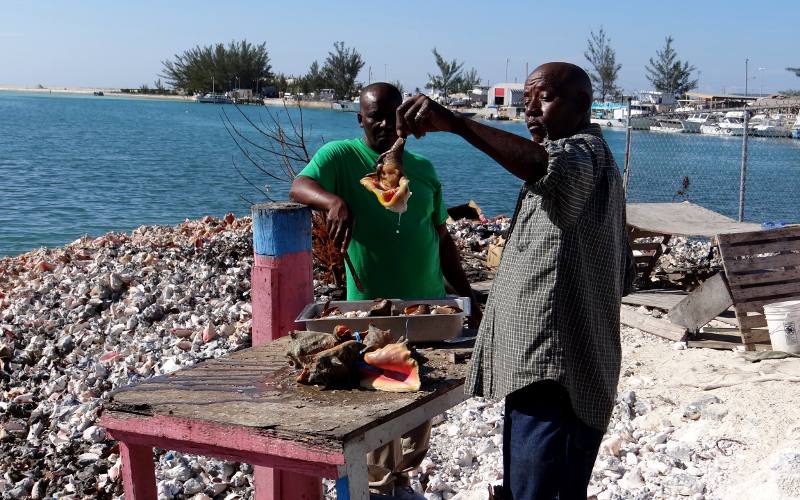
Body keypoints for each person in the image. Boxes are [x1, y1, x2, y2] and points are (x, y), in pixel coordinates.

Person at [396, 63, 632, 499]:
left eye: (544, 98)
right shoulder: (571, 168)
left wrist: (457, 123)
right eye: (526, 103)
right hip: (536, 375)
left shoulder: (585, 154)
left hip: (561, 379)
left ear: (581, 104)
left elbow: (545, 166)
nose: (532, 111)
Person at [289, 82, 481, 497]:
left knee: (420, 401)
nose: (382, 124)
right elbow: (298, 186)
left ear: (403, 121)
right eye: (373, 115)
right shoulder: (340, 157)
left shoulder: (424, 170)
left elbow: (441, 238)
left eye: (391, 115)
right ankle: (376, 486)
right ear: (360, 119)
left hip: (426, 307)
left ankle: (403, 477)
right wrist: (333, 202)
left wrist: (467, 297)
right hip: (371, 312)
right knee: (378, 399)